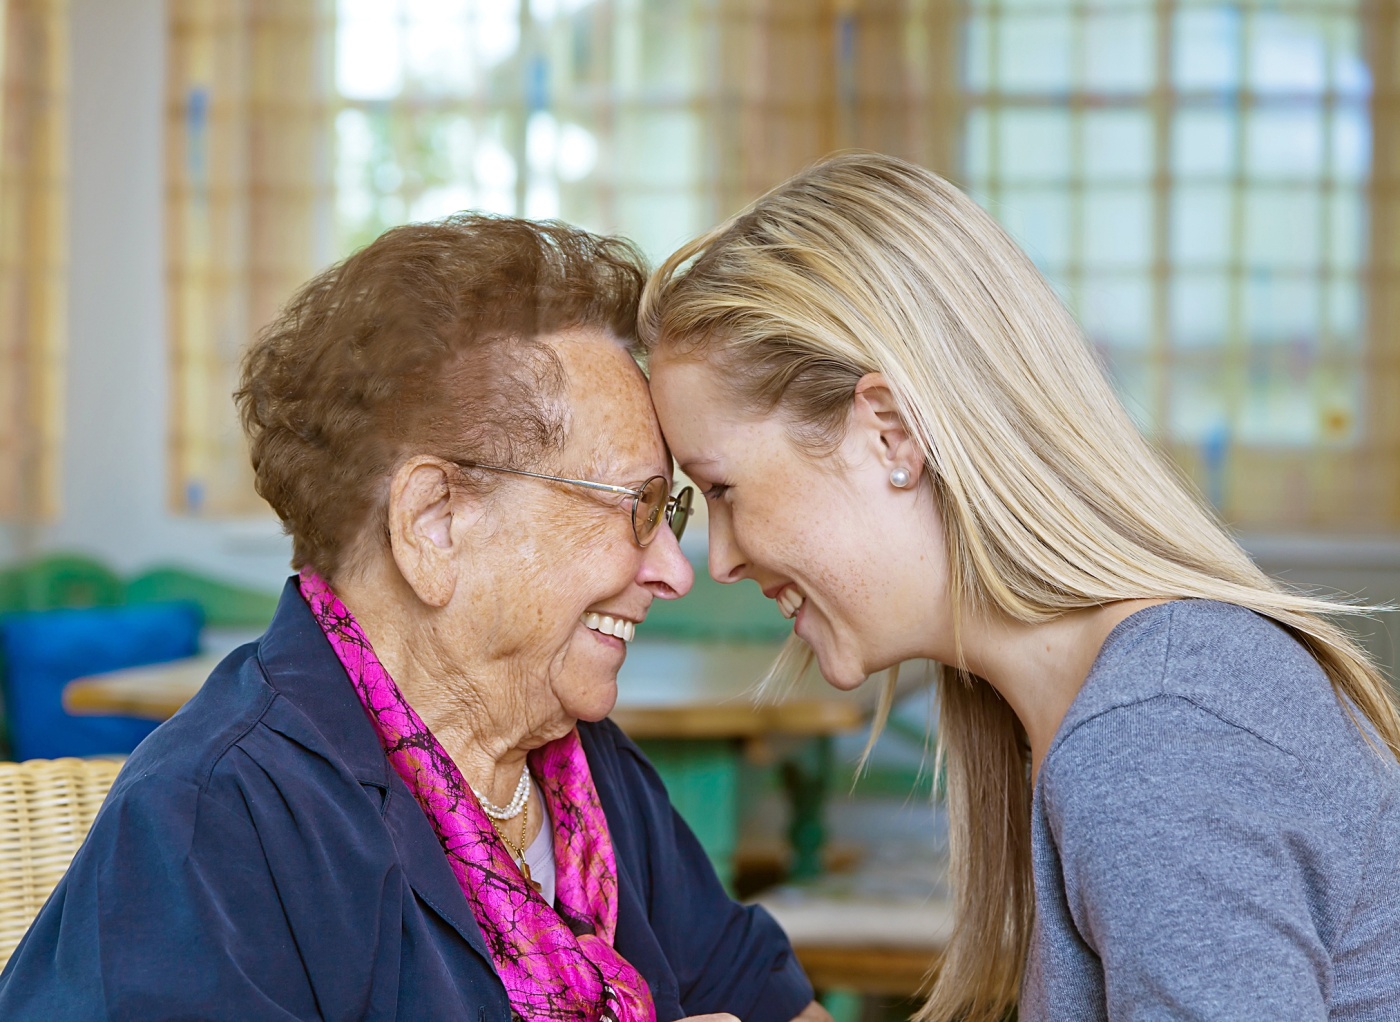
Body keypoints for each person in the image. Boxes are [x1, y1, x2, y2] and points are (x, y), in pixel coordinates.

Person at [0, 214, 826, 1022]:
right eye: (633, 506)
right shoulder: (215, 819)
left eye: (667, 509)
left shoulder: (593, 778)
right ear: (434, 522)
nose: (675, 570)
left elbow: (768, 1001)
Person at [641, 152, 1400, 1022]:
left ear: (889, 435)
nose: (723, 558)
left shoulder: (1152, 735)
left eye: (726, 490)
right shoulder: (1109, 705)